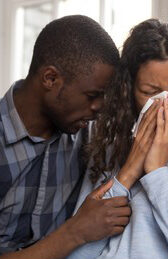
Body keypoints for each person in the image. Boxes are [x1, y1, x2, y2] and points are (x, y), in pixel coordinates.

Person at [0, 15, 168, 259]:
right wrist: (131, 169)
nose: (166, 104)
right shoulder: (105, 143)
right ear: (127, 90)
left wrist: (156, 172)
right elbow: (81, 245)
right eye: (150, 91)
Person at [0, 15, 132, 259]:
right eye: (92, 95)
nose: (100, 108)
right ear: (50, 78)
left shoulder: (88, 133)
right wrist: (75, 232)